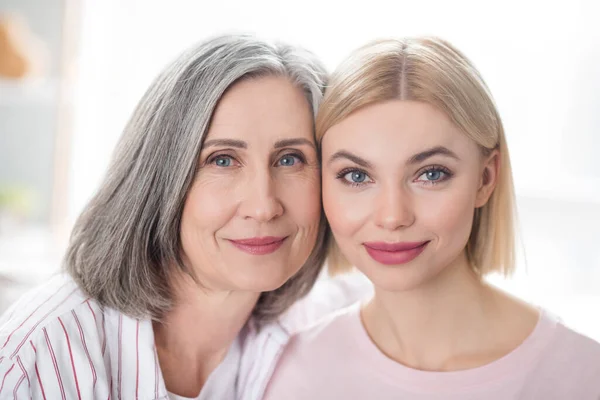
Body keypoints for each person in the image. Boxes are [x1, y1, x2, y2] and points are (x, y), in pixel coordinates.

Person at [0, 34, 370, 399]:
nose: (263, 206)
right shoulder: (41, 354)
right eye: (222, 160)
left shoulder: (321, 331)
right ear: (159, 177)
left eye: (290, 159)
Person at [264, 36, 600, 399]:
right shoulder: (297, 372)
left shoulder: (581, 374)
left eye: (431, 173)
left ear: (486, 179)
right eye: (357, 176)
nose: (393, 217)